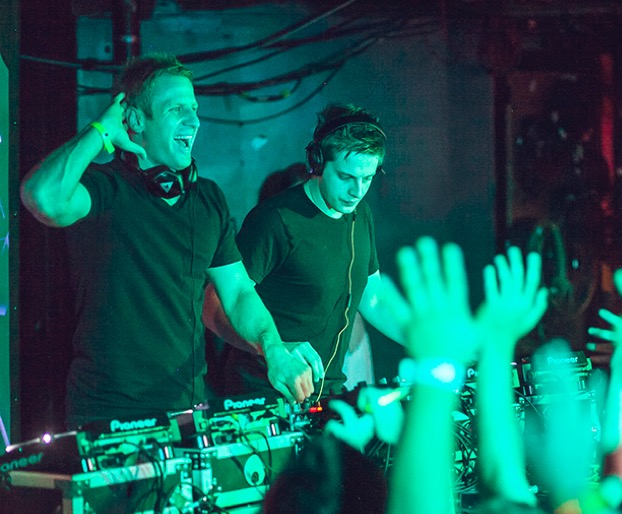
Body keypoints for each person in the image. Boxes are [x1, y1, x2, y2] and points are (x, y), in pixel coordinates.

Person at [19, 53, 315, 428]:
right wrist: (101, 131)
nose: (193, 120)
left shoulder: (208, 199)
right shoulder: (104, 188)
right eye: (176, 109)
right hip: (108, 413)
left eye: (194, 108)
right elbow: (42, 198)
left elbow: (239, 292)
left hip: (186, 409)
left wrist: (273, 348)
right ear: (134, 120)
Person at [204, 104, 404, 399]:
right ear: (318, 163)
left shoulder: (361, 215)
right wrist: (272, 349)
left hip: (326, 393)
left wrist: (425, 339)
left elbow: (372, 297)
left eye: (368, 178)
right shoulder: (276, 219)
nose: (357, 191)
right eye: (346, 177)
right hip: (263, 394)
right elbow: (211, 306)